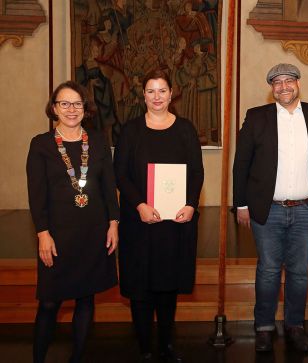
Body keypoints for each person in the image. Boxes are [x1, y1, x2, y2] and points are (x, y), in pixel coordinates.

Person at [233, 63, 308, 353]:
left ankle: (295, 326)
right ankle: (264, 328)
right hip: (266, 210)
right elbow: (241, 162)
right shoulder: (257, 117)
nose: (283, 86)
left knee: (299, 272)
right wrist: (241, 203)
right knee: (268, 270)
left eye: (288, 80)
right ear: (272, 88)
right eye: (277, 82)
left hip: (307, 210)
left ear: (298, 83)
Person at [114, 69, 204, 362]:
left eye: (162, 91)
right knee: (141, 289)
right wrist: (140, 205)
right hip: (139, 223)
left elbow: (197, 172)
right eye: (151, 91)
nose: (157, 97)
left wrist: (191, 204)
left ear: (171, 93)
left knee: (168, 287)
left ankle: (166, 344)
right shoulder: (130, 130)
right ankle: (144, 349)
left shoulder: (186, 129)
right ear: (143, 96)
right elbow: (121, 175)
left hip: (174, 223)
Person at [26, 81, 119, 363]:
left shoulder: (98, 141)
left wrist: (113, 223)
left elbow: (108, 186)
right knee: (50, 302)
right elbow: (37, 194)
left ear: (85, 108)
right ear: (54, 109)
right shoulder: (41, 145)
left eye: (77, 104)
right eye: (64, 103)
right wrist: (42, 233)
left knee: (86, 299)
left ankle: (77, 357)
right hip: (57, 235)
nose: (71, 109)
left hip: (93, 232)